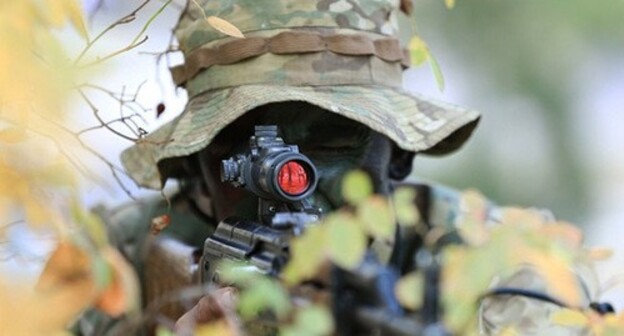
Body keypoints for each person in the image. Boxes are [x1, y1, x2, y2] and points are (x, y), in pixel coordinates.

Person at [78, 0, 600, 335]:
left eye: (333, 141)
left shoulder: (504, 267)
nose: (295, 185)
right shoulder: (115, 257)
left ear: (397, 154)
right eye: (242, 151)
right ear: (193, 165)